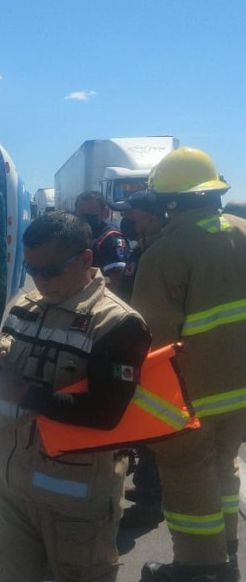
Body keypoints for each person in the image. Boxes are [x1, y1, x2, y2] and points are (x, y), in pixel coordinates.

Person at [0, 210, 150, 582]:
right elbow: (7, 344)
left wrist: (21, 393)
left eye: (51, 271)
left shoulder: (119, 324)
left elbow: (105, 415)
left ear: (87, 260)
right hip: (13, 486)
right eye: (32, 270)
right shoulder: (25, 305)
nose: (40, 281)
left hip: (76, 500)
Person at [132, 147, 246, 582]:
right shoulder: (243, 231)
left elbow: (150, 344)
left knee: (186, 480)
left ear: (170, 203)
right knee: (222, 470)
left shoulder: (165, 254)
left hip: (189, 399)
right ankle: (227, 550)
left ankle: (200, 567)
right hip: (238, 391)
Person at [109, 189, 167, 529]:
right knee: (140, 423)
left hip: (154, 349)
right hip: (135, 344)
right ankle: (148, 486)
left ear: (153, 216)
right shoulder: (141, 247)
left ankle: (152, 498)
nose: (126, 221)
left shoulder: (163, 251)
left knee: (153, 425)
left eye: (133, 215)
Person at [74, 190, 129, 296]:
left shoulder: (110, 237)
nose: (86, 214)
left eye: (92, 210)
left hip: (97, 299)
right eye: (81, 211)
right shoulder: (76, 235)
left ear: (105, 213)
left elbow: (117, 280)